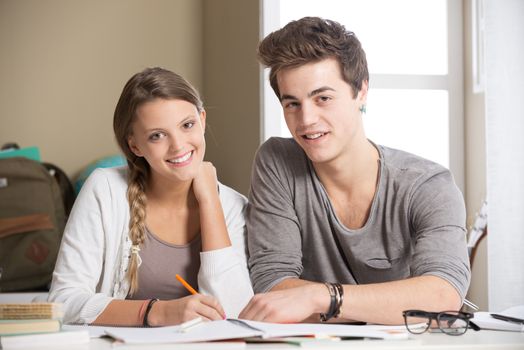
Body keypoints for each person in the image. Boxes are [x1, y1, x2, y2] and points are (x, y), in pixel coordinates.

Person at [239, 17, 470, 325]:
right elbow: (272, 286)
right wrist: (389, 305)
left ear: (361, 91)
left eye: (323, 98)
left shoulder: (429, 185)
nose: (306, 119)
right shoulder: (277, 162)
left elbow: (442, 297)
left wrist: (318, 297)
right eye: (292, 103)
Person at [48, 67, 253, 326]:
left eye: (187, 125)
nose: (178, 146)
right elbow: (63, 301)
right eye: (157, 135)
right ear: (135, 145)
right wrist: (155, 312)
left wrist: (210, 200)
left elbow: (234, 313)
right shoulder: (105, 189)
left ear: (202, 120)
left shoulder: (234, 206)